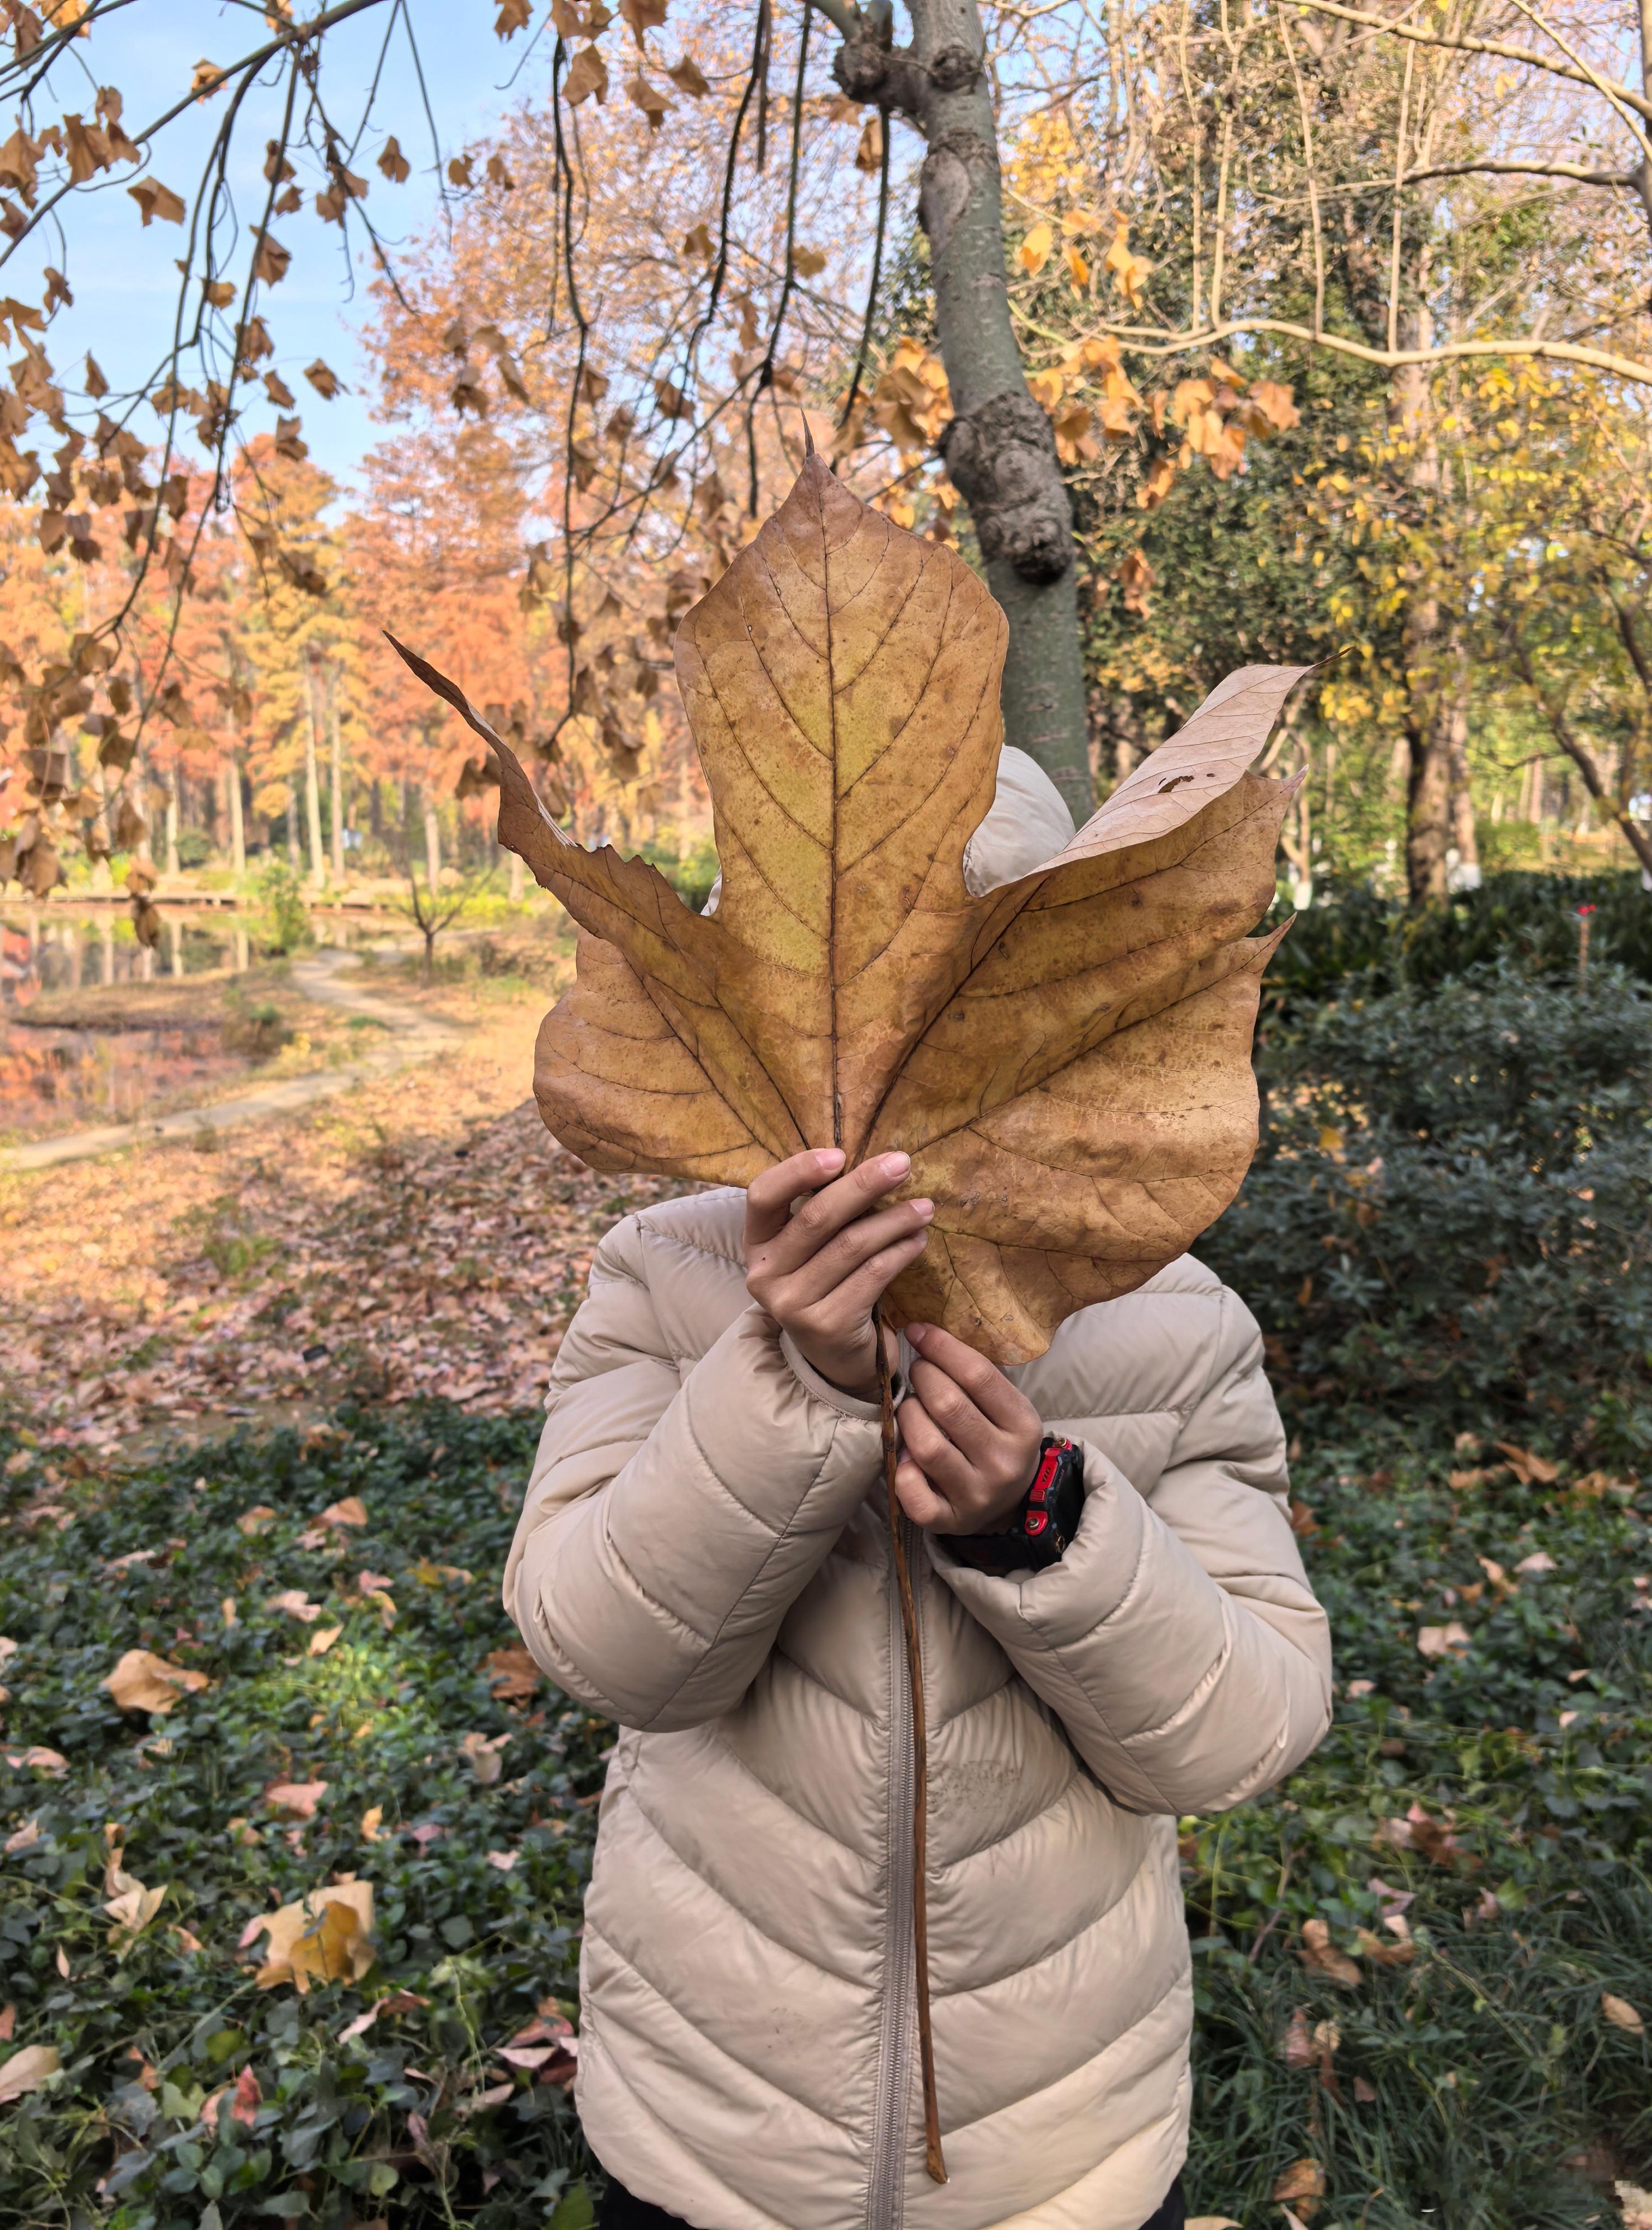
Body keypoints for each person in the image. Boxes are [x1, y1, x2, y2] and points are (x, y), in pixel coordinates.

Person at [503, 750, 1334, 2230]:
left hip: (1056, 2159)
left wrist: (1046, 1525)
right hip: (715, 2140)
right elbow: (605, 1648)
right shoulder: (669, 1275)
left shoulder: (1178, 1319)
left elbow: (1240, 1734)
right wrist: (788, 1389)